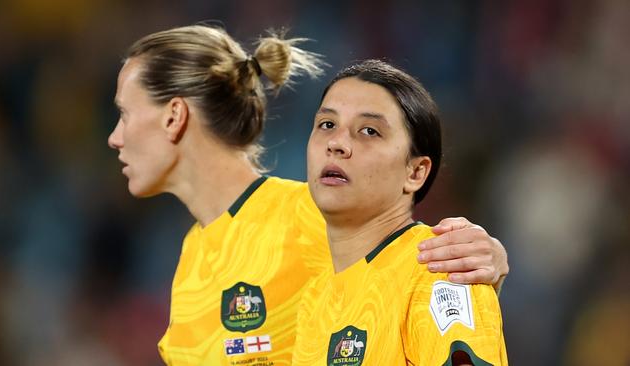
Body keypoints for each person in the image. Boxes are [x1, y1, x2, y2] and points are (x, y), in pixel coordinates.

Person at [107, 24, 508, 365]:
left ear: (175, 115)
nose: (114, 138)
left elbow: (414, 264)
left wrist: (484, 262)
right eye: (326, 125)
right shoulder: (191, 266)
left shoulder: (313, 217)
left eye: (125, 114)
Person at [292, 60, 507, 365]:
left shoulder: (439, 271)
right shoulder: (315, 300)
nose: (337, 143)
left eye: (369, 131)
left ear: (416, 172)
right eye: (327, 124)